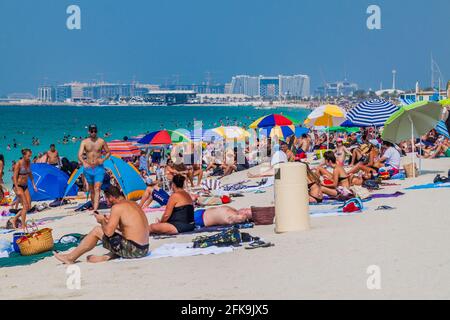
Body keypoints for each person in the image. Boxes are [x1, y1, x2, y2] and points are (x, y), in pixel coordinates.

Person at [53, 186, 149, 264]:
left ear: (111, 197)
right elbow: (128, 228)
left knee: (97, 230)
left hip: (135, 250)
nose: (106, 202)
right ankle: (107, 256)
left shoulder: (117, 207)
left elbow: (108, 233)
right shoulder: (133, 203)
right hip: (144, 249)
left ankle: (70, 258)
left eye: (106, 199)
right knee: (116, 235)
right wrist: (108, 221)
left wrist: (102, 221)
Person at [78, 124, 111, 212]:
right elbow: (79, 155)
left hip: (99, 168)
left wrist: (103, 159)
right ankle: (94, 205)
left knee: (97, 188)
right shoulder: (84, 142)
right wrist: (83, 162)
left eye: (95, 131)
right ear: (89, 132)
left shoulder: (101, 141)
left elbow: (108, 152)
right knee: (91, 190)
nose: (93, 133)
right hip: (88, 168)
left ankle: (96, 209)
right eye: (92, 131)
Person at [8, 149, 38, 228]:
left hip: (25, 186)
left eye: (30, 156)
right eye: (28, 156)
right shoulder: (19, 163)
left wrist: (34, 185)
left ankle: (14, 219)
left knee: (28, 207)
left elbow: (30, 174)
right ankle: (23, 224)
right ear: (24, 155)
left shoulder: (28, 163)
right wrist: (17, 188)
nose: (29, 157)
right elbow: (14, 176)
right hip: (18, 186)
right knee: (25, 205)